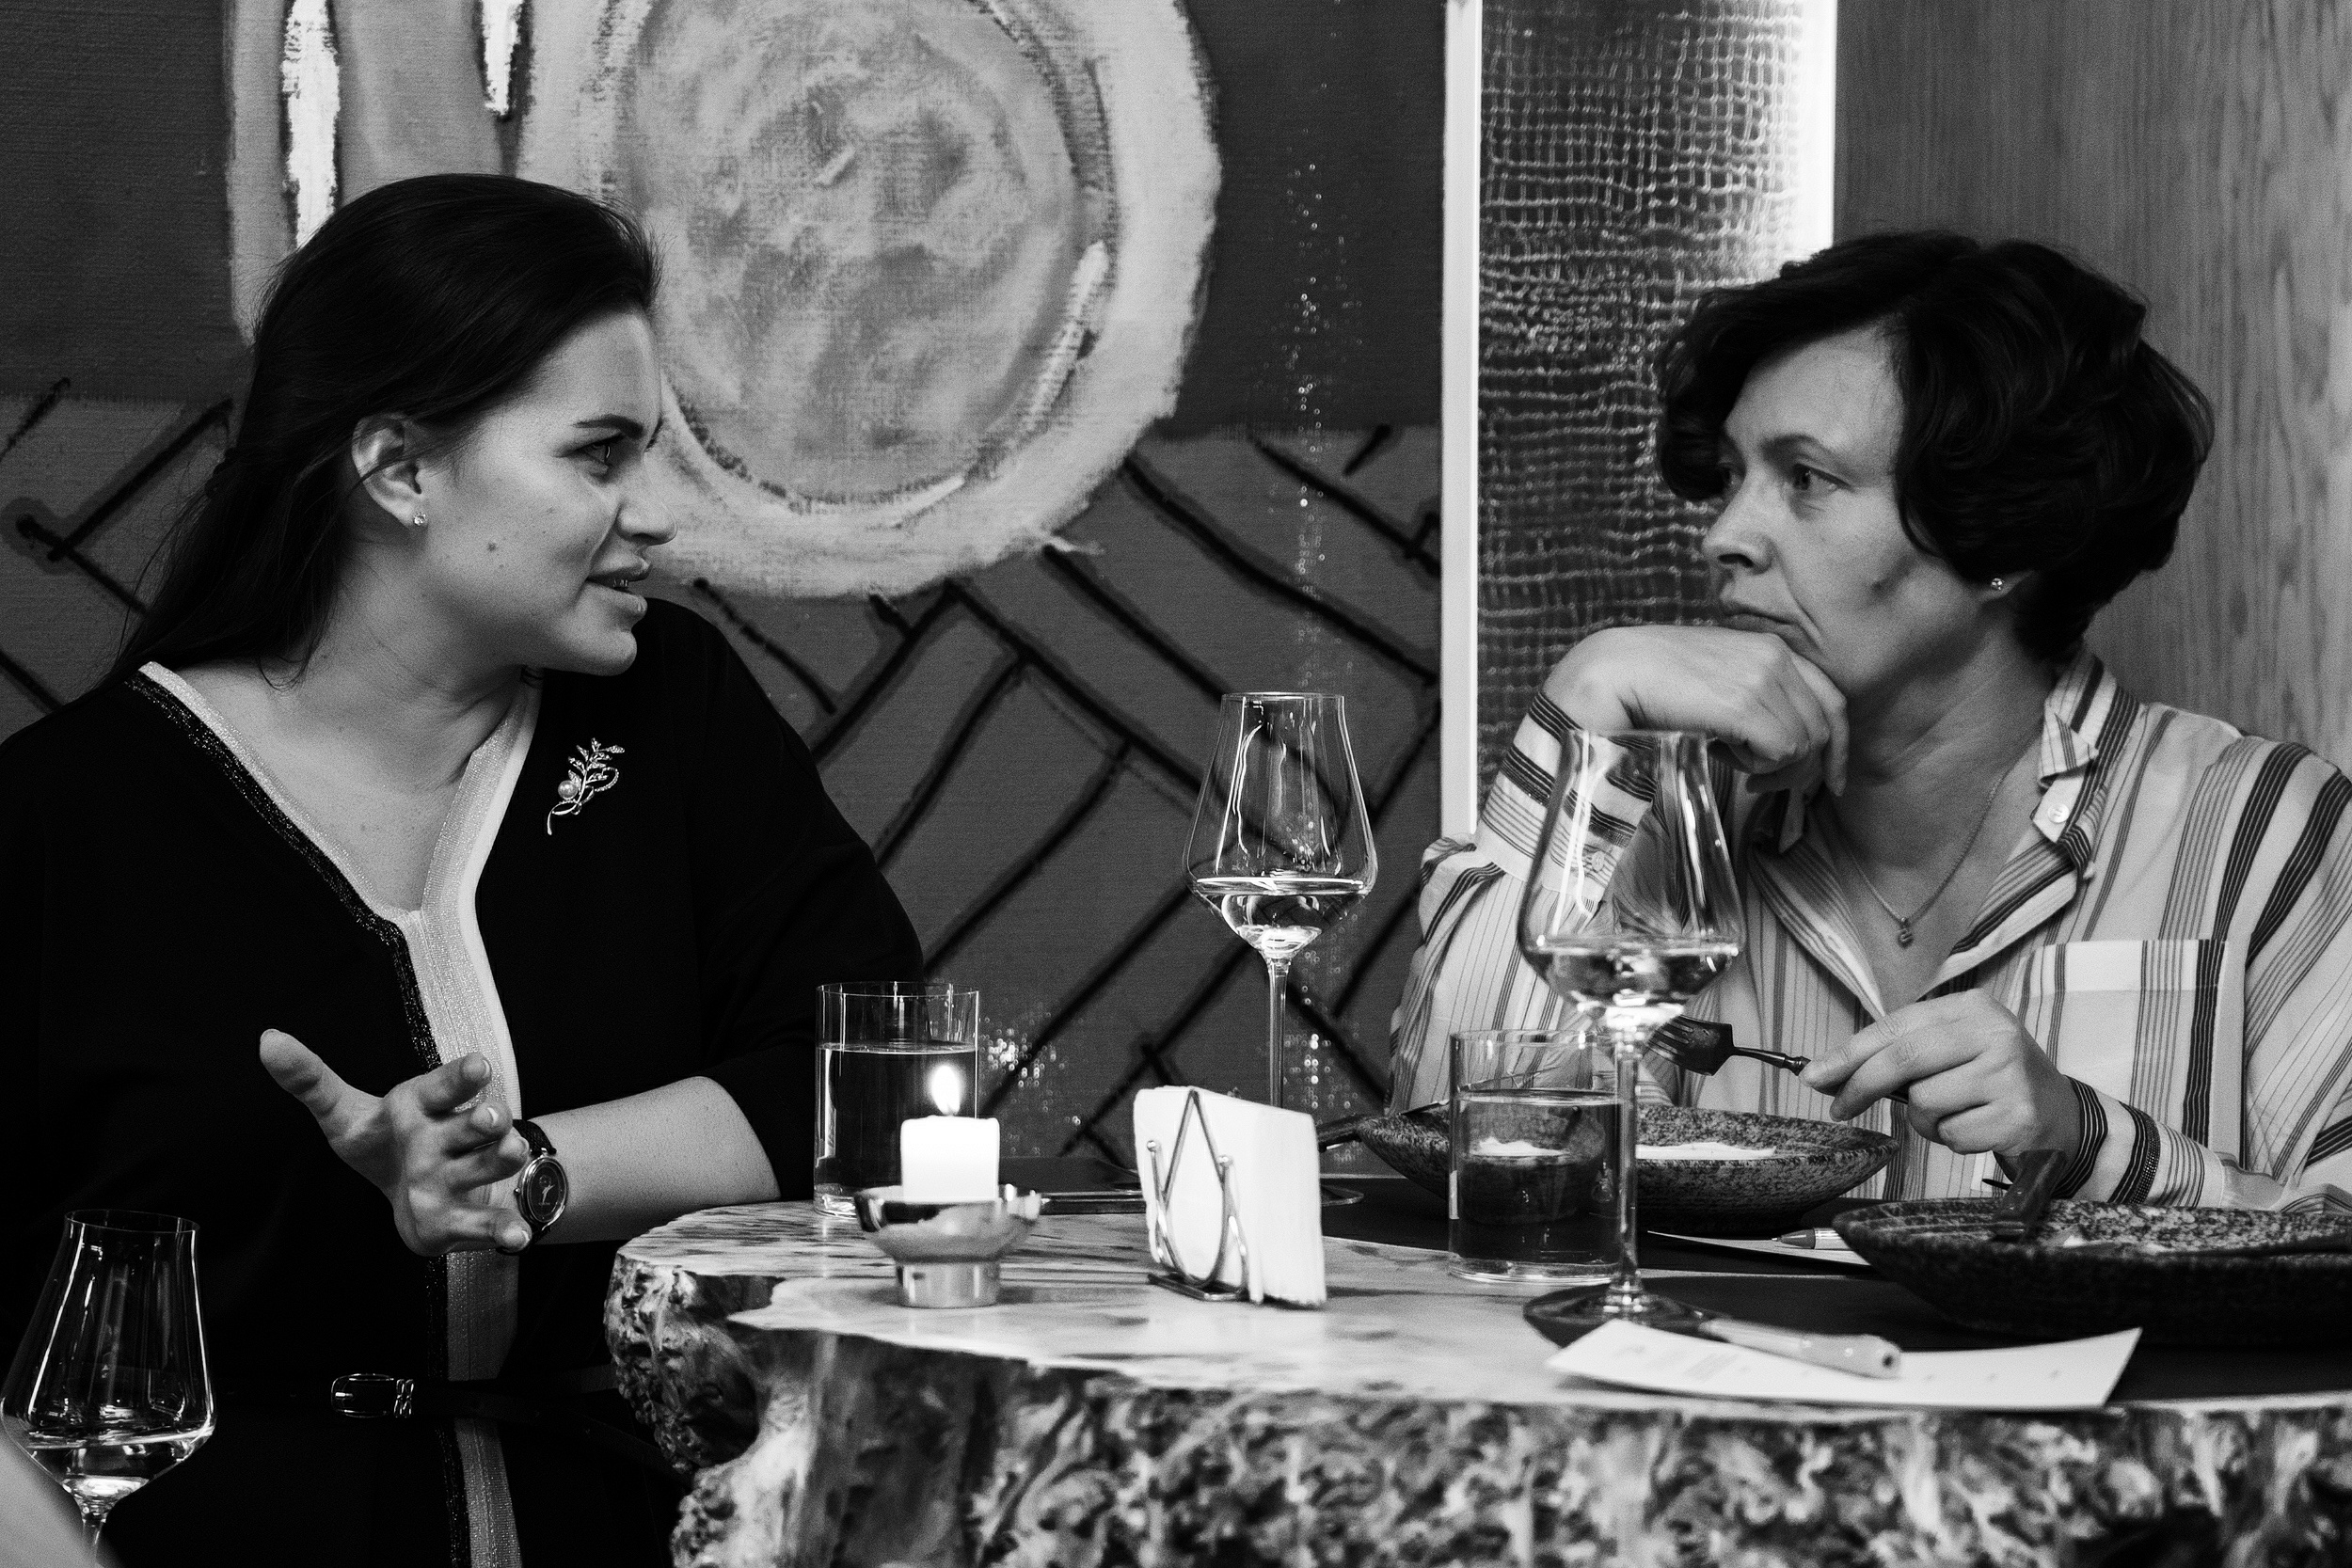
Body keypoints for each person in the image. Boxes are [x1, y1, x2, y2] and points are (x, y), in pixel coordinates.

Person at [0, 174, 924, 1565]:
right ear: (401, 470)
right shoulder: (66, 819)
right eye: (600, 455)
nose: (658, 515)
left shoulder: (672, 713)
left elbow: (868, 1078)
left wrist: (527, 1175)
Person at [1392, 231, 2352, 1212]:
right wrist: (1585, 698)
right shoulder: (1668, 826)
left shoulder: (2259, 832)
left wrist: (2087, 1136)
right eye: (1731, 476)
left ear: (1998, 537)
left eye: (1805, 478)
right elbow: (1467, 1153)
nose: (1722, 536)